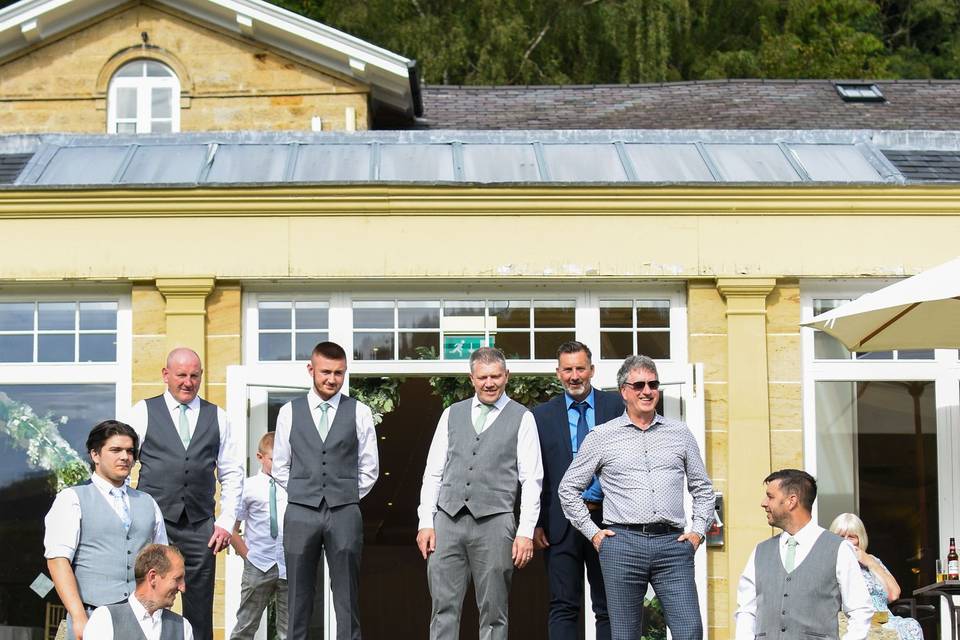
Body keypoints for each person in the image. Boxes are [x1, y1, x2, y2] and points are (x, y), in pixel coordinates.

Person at [558, 354, 714, 640]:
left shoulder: (680, 434)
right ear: (624, 392)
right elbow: (567, 489)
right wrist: (595, 535)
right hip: (622, 546)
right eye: (639, 384)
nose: (647, 391)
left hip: (673, 545)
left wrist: (697, 533)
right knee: (625, 634)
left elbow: (703, 489)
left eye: (653, 384)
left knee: (689, 630)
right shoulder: (601, 436)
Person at [416, 346, 543, 640]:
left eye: (496, 376)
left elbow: (532, 479)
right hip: (447, 520)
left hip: (495, 522)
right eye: (483, 377)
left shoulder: (522, 418)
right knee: (443, 607)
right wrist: (426, 521)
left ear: (506, 376)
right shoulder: (451, 414)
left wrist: (525, 532)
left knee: (494, 611)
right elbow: (433, 471)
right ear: (472, 378)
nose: (490, 383)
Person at [126, 347, 244, 640]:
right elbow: (123, 464)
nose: (188, 382)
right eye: (181, 375)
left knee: (200, 610)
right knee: (147, 602)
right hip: (153, 524)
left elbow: (232, 472)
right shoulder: (142, 411)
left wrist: (226, 521)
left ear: (201, 376)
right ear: (166, 375)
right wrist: (128, 515)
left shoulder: (217, 416)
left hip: (200, 527)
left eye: (194, 376)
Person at [272, 341, 379, 640]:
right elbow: (281, 465)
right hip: (300, 511)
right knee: (298, 595)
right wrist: (303, 490)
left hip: (344, 511)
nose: (332, 379)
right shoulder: (288, 412)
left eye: (339, 373)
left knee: (347, 596)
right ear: (311, 370)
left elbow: (369, 468)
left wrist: (344, 493)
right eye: (326, 372)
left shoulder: (359, 412)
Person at [44, 419, 167, 640]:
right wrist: (79, 616)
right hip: (92, 615)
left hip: (143, 618)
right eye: (115, 450)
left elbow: (162, 561)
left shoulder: (148, 502)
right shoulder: (72, 499)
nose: (125, 457)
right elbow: (57, 560)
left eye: (130, 451)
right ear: (95, 455)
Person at [532, 341, 623, 640]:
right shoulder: (540, 416)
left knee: (609, 606)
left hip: (609, 522)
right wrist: (535, 522)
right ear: (558, 373)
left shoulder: (616, 407)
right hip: (560, 525)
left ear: (592, 370)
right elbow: (533, 473)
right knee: (563, 606)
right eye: (568, 369)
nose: (574, 376)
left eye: (580, 368)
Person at [734, 470, 874, 640]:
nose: (763, 503)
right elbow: (746, 611)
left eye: (770, 497)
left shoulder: (839, 549)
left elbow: (860, 609)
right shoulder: (760, 552)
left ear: (791, 501)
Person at [230, 432, 288, 640]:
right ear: (260, 457)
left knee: (288, 630)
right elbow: (231, 527)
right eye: (274, 459)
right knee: (246, 624)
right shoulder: (248, 487)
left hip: (287, 565)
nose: (280, 464)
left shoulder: (294, 487)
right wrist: (247, 555)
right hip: (257, 563)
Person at [829, 513, 924, 640]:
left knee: (912, 626)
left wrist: (870, 562)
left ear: (860, 539)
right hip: (853, 619)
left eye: (851, 537)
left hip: (882, 618)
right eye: (841, 536)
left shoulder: (873, 560)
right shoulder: (831, 563)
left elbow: (894, 594)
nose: (846, 541)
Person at [84, 543, 193, 639]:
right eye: (177, 579)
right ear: (153, 577)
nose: (182, 588)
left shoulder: (183, 627)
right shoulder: (105, 619)